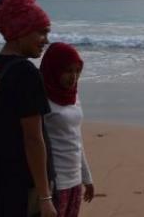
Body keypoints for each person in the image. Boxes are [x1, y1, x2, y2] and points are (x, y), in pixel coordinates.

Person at [0, 0, 57, 217]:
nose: (45, 40)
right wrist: (45, 197)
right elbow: (33, 138)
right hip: (22, 186)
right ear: (22, 31)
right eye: (41, 32)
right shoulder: (26, 73)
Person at [40, 42, 95, 217]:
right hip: (55, 182)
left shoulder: (73, 96)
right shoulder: (41, 100)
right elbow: (34, 143)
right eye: (68, 71)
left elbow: (76, 139)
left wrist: (87, 178)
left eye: (77, 71)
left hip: (75, 181)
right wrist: (43, 191)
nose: (74, 77)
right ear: (54, 69)